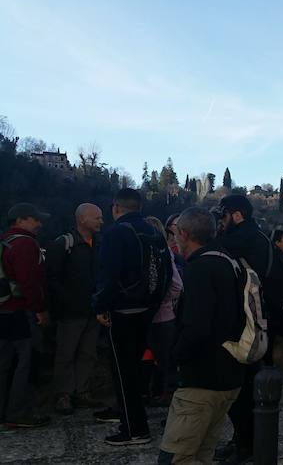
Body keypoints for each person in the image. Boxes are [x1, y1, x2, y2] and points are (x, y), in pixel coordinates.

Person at [158, 207, 246, 464]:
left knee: (176, 457)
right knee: (203, 454)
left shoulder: (200, 268)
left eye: (174, 234)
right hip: (230, 373)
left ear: (184, 234)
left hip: (202, 380)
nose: (173, 239)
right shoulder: (229, 261)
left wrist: (175, 358)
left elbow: (197, 328)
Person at [92, 189, 171, 445]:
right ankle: (137, 424)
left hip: (122, 312)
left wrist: (100, 306)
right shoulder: (154, 233)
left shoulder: (116, 233)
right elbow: (166, 273)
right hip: (147, 310)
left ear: (116, 208)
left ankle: (134, 429)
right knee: (136, 371)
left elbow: (108, 275)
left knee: (122, 372)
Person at [213, 194, 274, 465]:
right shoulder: (257, 236)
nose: (221, 220)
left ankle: (246, 444)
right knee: (245, 386)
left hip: (242, 321)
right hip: (254, 318)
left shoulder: (239, 239)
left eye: (223, 214)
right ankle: (242, 440)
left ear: (236, 214)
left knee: (241, 389)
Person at [45, 203, 103, 415]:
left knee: (88, 353)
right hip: (70, 312)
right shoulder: (64, 244)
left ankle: (82, 391)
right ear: (82, 219)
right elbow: (52, 278)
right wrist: (65, 302)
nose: (101, 222)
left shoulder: (98, 243)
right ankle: (64, 395)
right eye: (97, 218)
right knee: (66, 353)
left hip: (92, 310)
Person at [0, 203, 51, 429]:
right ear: (20, 220)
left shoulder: (5, 242)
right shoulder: (25, 243)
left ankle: (4, 411)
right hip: (19, 311)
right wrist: (39, 309)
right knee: (24, 363)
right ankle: (18, 412)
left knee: (4, 364)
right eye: (35, 219)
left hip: (3, 310)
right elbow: (29, 282)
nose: (39, 223)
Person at [146, 216, 184, 407]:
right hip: (165, 315)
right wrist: (168, 303)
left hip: (144, 315)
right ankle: (172, 404)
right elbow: (177, 285)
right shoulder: (165, 252)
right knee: (168, 363)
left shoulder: (140, 251)